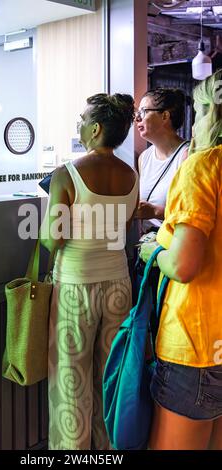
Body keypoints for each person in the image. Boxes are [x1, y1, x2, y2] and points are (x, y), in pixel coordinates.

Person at [40, 93, 139, 450]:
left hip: (75, 288)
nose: (79, 125)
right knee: (108, 377)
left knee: (71, 379)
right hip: (119, 287)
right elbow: (125, 226)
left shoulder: (66, 175)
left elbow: (52, 239)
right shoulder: (131, 174)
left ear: (95, 128)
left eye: (82, 119)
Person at [140, 69, 222, 450]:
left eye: (201, 111)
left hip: (197, 346)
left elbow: (185, 266)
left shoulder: (203, 166)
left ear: (213, 114)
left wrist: (154, 251)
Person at [135, 87, 189, 234]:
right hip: (147, 247)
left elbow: (194, 213)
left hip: (174, 244)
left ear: (165, 116)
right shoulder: (144, 158)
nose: (137, 118)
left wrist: (155, 212)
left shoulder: (188, 156)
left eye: (144, 111)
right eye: (137, 112)